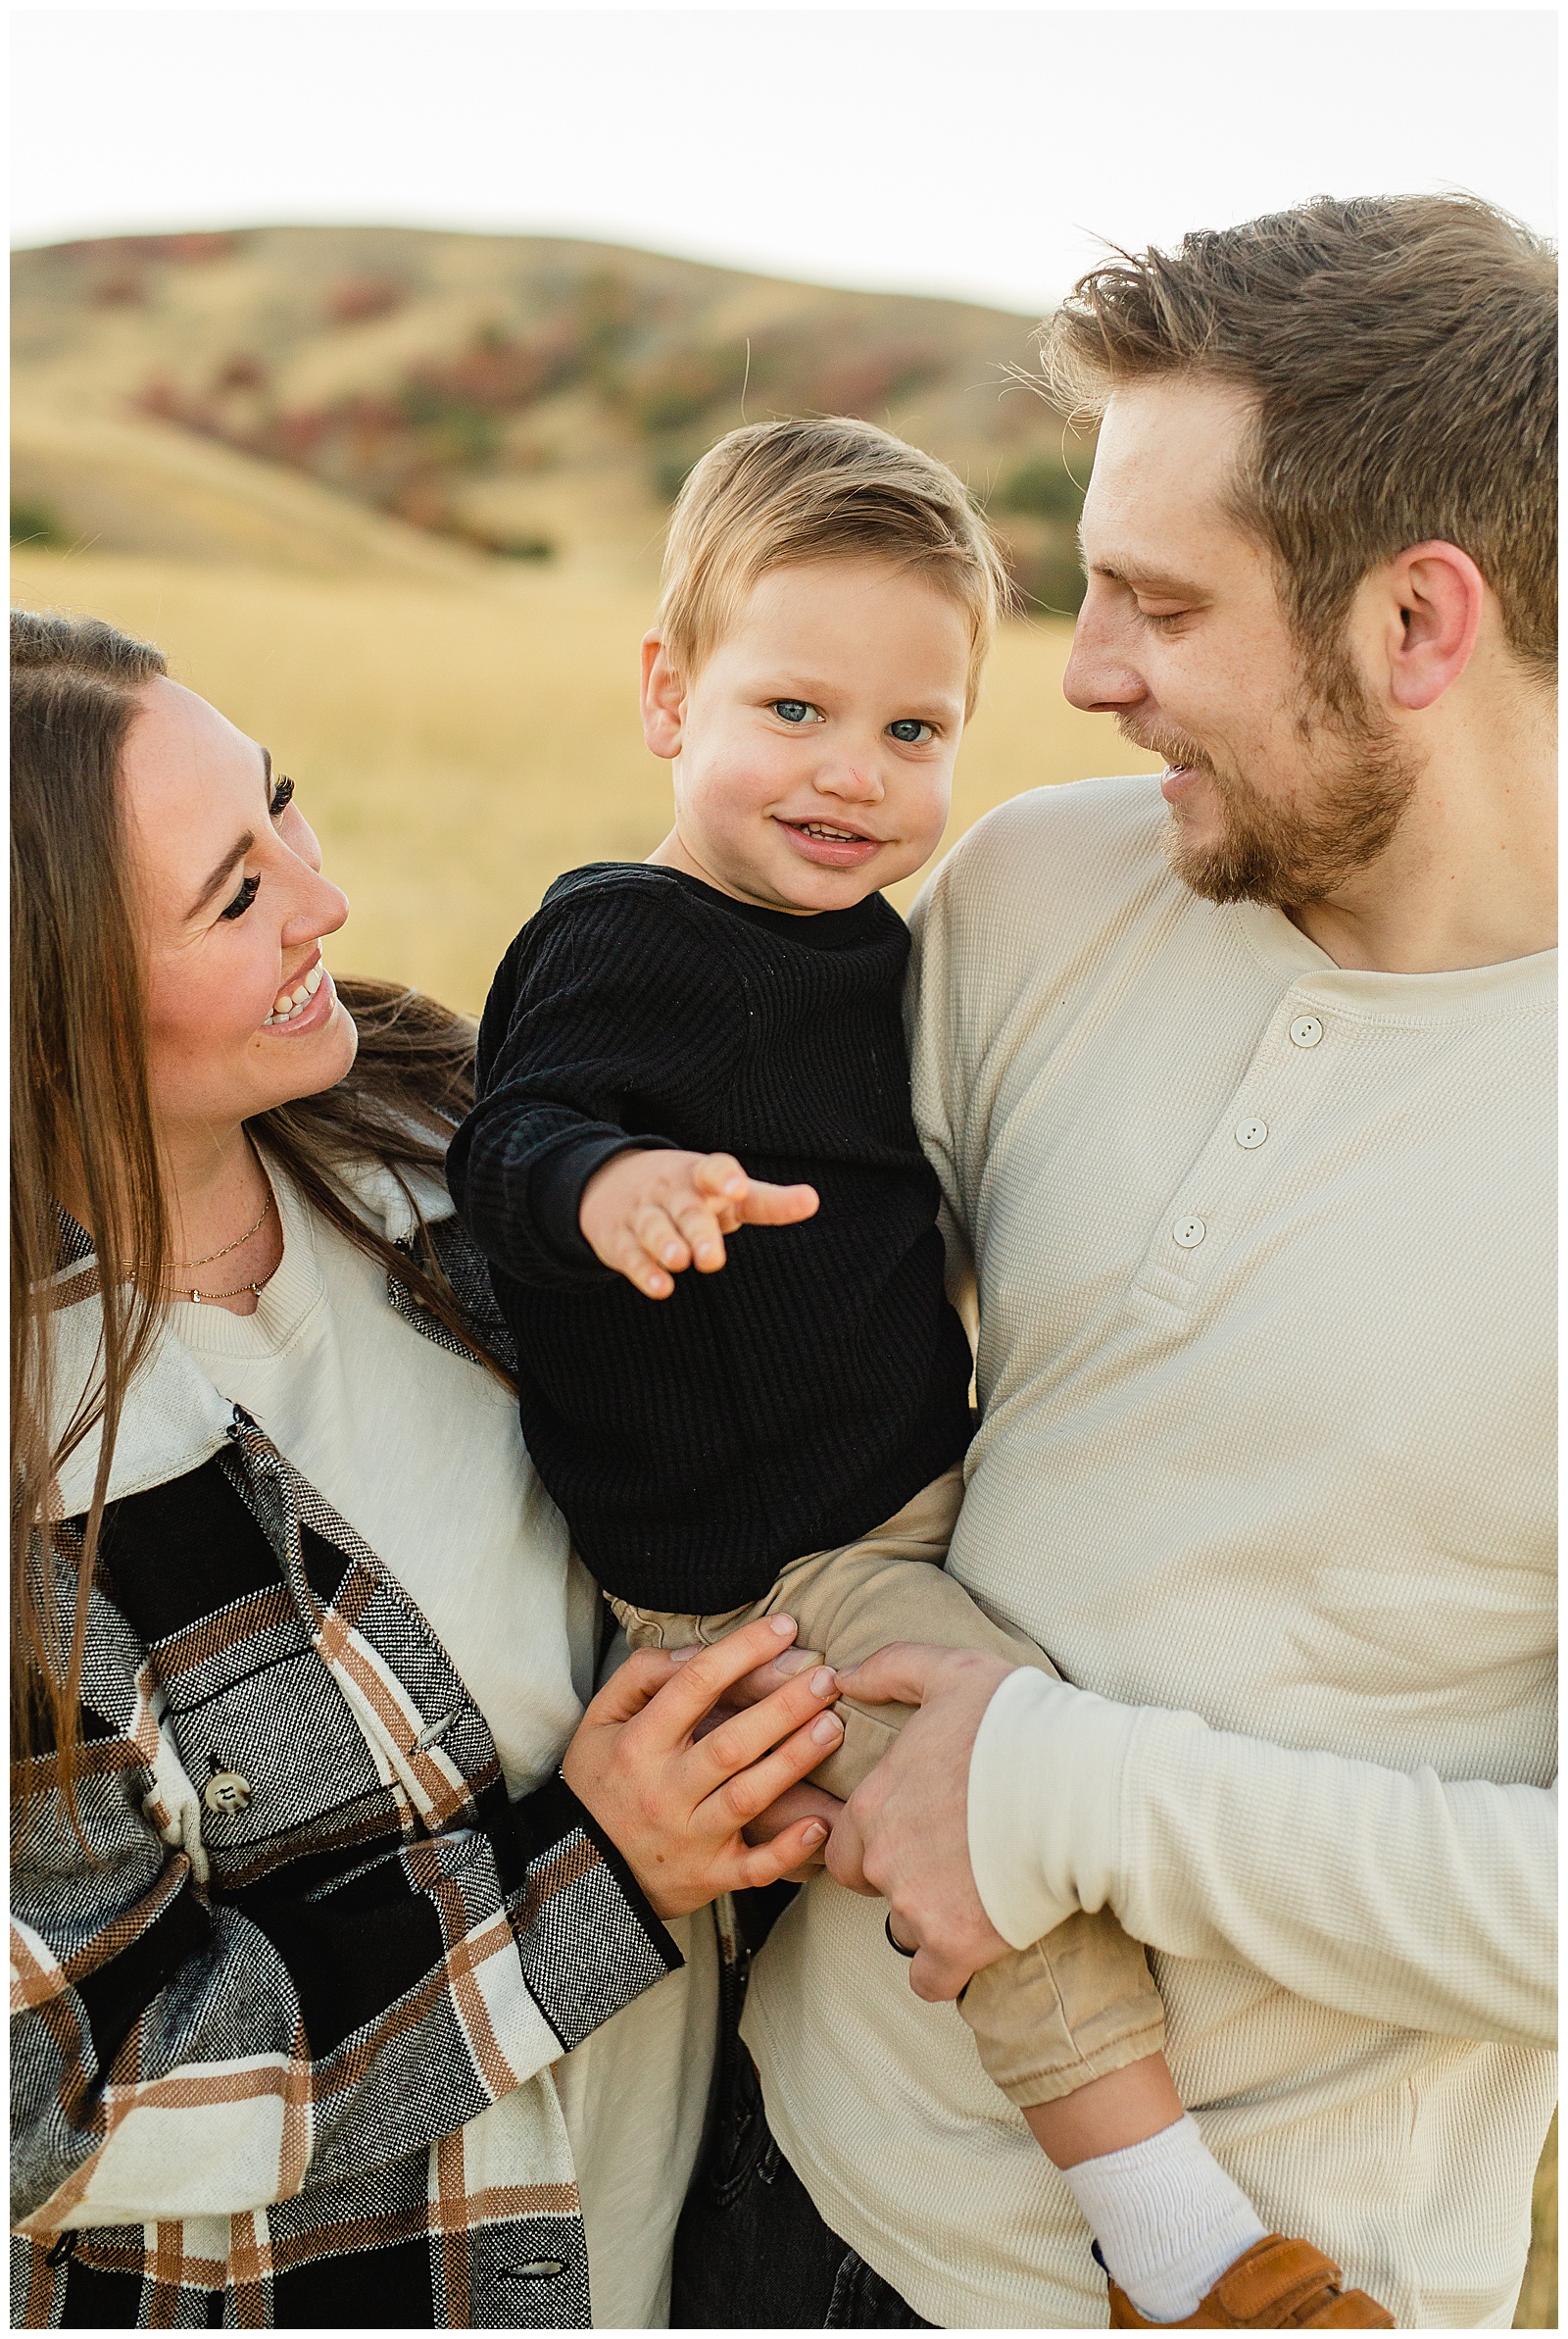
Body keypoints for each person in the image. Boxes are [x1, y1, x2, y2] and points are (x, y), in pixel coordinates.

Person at [685, 194, 1558, 2330]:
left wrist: (1048, 1782)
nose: (1079, 674)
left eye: (1157, 603)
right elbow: (775, 1349)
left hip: (1256, 2283)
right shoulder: (1035, 892)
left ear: (1414, 623)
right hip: (782, 2160)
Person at [446, 415, 1387, 2327]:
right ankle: (1180, 2244)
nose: (851, 777)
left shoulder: (889, 951)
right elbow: (508, 1137)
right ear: (662, 691)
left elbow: (929, 1190)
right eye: (790, 707)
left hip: (899, 1480)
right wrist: (608, 1184)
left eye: (910, 732)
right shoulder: (612, 936)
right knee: (991, 1783)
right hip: (772, 1559)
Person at [9, 609, 847, 2329]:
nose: (323, 900)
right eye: (233, 897)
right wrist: (591, 1879)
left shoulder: (433, 1127)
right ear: (49, 1013)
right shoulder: (43, 1474)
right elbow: (63, 2101)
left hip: (698, 2240)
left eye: (283, 808)